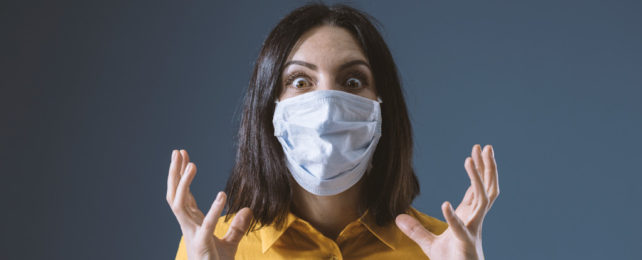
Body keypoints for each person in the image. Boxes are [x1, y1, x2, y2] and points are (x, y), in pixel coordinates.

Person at [167, 3, 499, 260]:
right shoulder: (212, 246)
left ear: (383, 108)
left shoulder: (439, 248)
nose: (326, 108)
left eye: (352, 81)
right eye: (300, 81)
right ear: (270, 108)